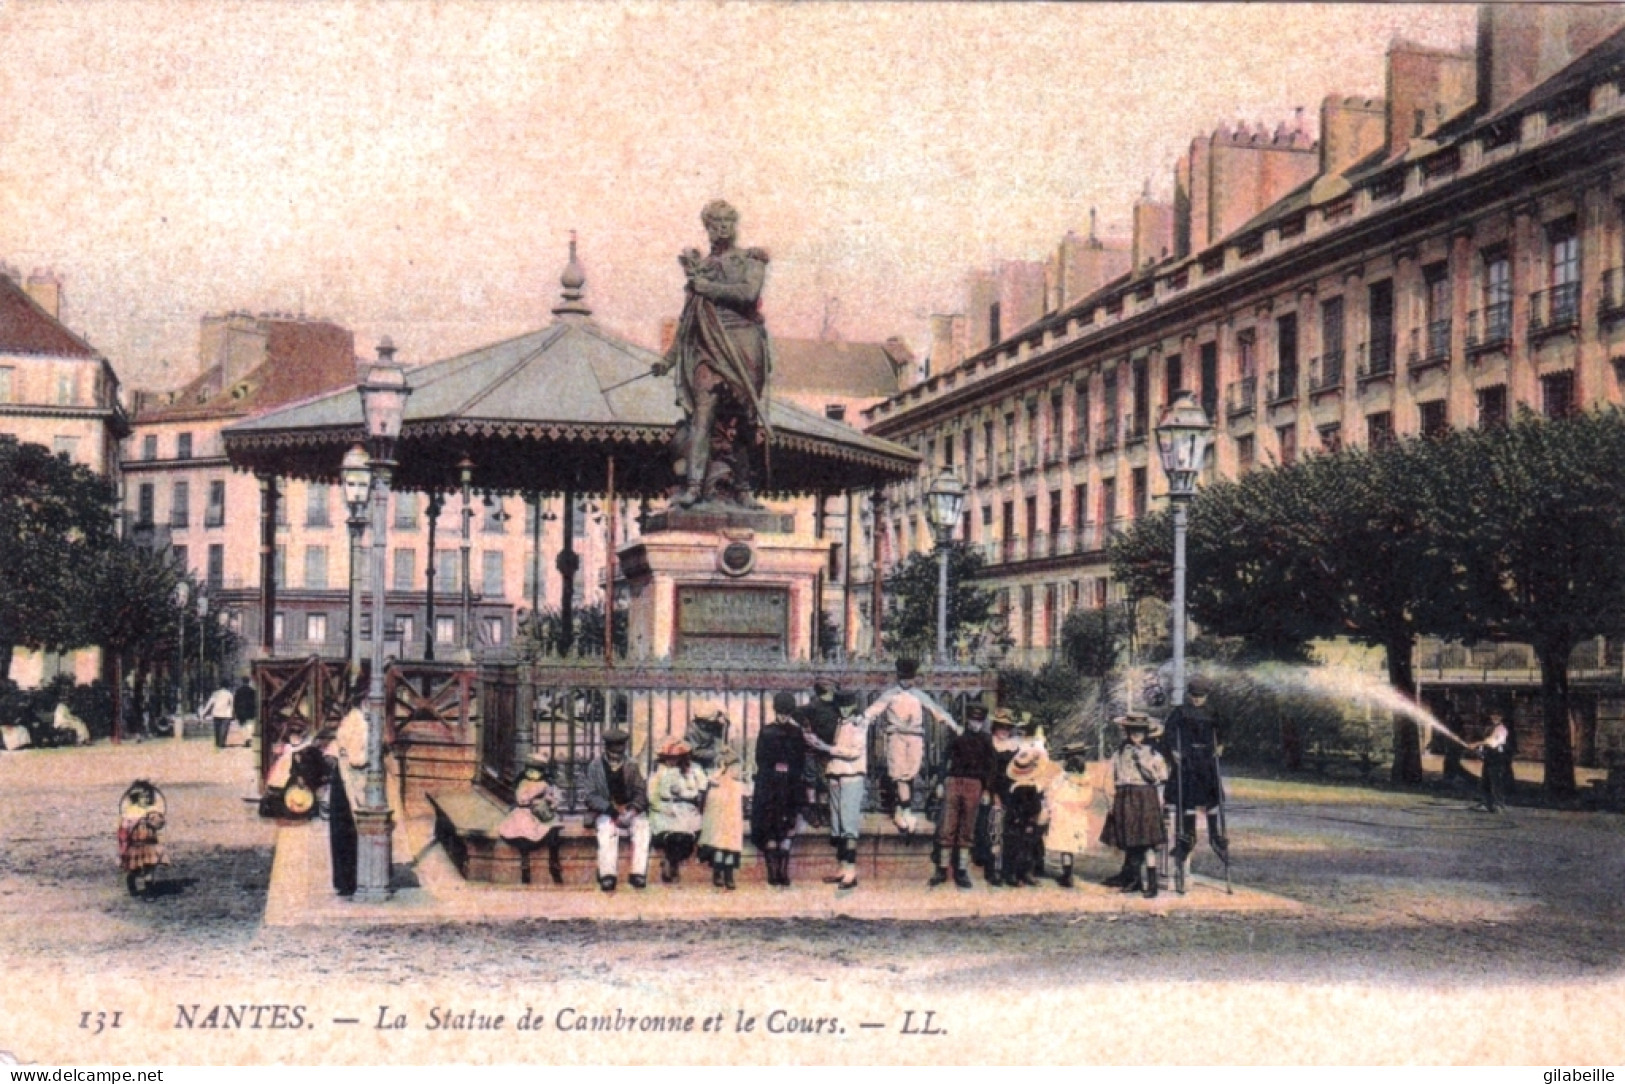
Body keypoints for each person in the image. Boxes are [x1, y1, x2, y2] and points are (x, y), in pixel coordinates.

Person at [652, 199, 772, 509]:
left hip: (744, 344)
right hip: (707, 345)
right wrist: (669, 358)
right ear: (707, 228)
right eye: (715, 223)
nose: (722, 228)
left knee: (745, 418)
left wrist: (706, 287)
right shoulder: (701, 269)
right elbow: (688, 317)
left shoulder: (751, 260)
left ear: (735, 225)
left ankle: (743, 488)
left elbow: (748, 293)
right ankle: (694, 487)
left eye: (727, 222)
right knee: (702, 416)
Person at [861, 658, 958, 834]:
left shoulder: (919, 695)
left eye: (910, 678)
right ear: (898, 677)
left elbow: (937, 711)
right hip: (896, 736)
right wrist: (860, 720)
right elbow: (872, 711)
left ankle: (901, 807)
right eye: (904, 678)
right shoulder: (890, 695)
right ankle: (905, 810)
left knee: (911, 772)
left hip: (915, 737)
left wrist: (955, 726)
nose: (907, 682)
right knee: (899, 775)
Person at [800, 690, 869, 891]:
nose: (844, 709)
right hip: (835, 775)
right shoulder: (839, 723)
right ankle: (842, 868)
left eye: (847, 705)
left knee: (848, 826)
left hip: (851, 776)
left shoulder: (859, 724)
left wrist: (826, 748)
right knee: (838, 826)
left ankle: (851, 871)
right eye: (841, 706)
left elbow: (854, 752)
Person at [1160, 675, 1228, 873]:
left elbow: (1223, 729)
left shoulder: (1213, 712)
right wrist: (1173, 749)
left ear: (1207, 695)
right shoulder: (1181, 712)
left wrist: (1221, 744)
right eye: (1194, 696)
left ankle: (1215, 835)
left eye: (1201, 696)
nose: (1197, 699)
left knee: (1212, 798)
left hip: (1206, 759)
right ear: (1189, 695)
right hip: (1188, 759)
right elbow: (1169, 731)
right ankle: (1188, 836)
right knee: (1187, 798)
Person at [1100, 713, 1169, 899]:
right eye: (1132, 731)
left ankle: (1152, 883)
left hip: (1145, 797)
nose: (1136, 735)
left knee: (1147, 841)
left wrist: (1142, 761)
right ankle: (1134, 880)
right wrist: (1110, 801)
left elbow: (1161, 777)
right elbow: (1109, 777)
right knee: (1130, 840)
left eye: (1139, 731)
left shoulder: (1153, 753)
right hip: (1125, 796)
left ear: (1146, 732)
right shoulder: (1120, 753)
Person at [929, 702, 996, 889]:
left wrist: (986, 790)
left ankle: (961, 870)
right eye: (973, 720)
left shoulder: (986, 740)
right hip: (954, 782)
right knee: (947, 825)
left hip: (974, 784)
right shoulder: (957, 736)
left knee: (967, 827)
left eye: (979, 720)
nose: (976, 724)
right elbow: (944, 759)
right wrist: (941, 782)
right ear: (967, 719)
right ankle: (942, 869)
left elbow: (991, 768)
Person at [583, 728, 651, 892]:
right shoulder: (595, 766)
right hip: (606, 810)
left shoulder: (632, 766)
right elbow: (590, 796)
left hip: (628, 809)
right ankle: (608, 875)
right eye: (613, 754)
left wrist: (632, 811)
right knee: (607, 831)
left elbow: (641, 792)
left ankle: (638, 873)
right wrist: (612, 811)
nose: (616, 758)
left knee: (643, 828)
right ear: (606, 749)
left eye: (619, 754)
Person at [752, 691, 806, 887]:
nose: (783, 716)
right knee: (770, 826)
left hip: (789, 784)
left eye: (787, 713)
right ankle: (773, 871)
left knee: (787, 827)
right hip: (771, 785)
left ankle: (783, 870)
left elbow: (800, 759)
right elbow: (760, 759)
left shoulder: (796, 732)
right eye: (780, 712)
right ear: (775, 711)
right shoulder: (767, 731)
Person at [498, 756, 564, 886]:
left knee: (553, 829)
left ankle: (554, 863)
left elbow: (555, 799)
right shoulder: (523, 783)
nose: (533, 775)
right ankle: (525, 865)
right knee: (523, 832)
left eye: (536, 771)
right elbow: (521, 799)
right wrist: (534, 797)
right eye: (530, 771)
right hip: (524, 813)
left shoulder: (546, 784)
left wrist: (549, 802)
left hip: (539, 814)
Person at [648, 740, 708, 884]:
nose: (671, 761)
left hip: (687, 808)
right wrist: (662, 808)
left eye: (675, 758)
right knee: (670, 834)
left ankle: (672, 861)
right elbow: (652, 794)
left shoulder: (693, 770)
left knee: (686, 834)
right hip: (665, 807)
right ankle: (670, 861)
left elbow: (701, 789)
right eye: (668, 758)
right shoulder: (659, 771)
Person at [976, 708, 1022, 885]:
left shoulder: (1015, 746)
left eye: (1007, 727)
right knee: (995, 831)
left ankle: (1009, 872)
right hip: (996, 791)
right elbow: (986, 770)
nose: (1003, 731)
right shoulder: (989, 744)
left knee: (1012, 833)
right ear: (994, 727)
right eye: (1000, 727)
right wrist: (990, 791)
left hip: (1013, 792)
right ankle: (993, 870)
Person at [1042, 749, 1096, 889]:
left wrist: (1051, 807)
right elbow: (1088, 799)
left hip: (1063, 814)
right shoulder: (1086, 779)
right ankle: (1068, 873)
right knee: (1069, 845)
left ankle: (1067, 874)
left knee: (1065, 846)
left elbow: (1051, 794)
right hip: (1075, 814)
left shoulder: (1061, 777)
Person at [1001, 745, 1050, 887]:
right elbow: (1029, 806)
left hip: (1024, 820)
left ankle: (1023, 873)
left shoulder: (1023, 786)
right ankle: (1016, 874)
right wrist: (1028, 820)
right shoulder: (1024, 787)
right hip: (1022, 821)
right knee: (1020, 848)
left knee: (1027, 848)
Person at [699, 748, 746, 890]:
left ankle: (729, 874)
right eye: (735, 768)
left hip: (733, 824)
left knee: (731, 849)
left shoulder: (738, 785)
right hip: (720, 823)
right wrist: (720, 770)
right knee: (719, 848)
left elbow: (747, 793)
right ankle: (717, 871)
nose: (738, 771)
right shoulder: (717, 784)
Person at [797, 680, 841, 829]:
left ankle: (823, 810)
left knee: (824, 781)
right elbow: (797, 713)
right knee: (811, 780)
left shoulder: (836, 706)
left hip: (827, 749)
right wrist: (806, 729)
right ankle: (813, 809)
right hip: (812, 749)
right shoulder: (813, 705)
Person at [117, 780, 168, 898]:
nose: (145, 799)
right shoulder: (130, 811)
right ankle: (132, 887)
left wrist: (156, 821)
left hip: (150, 844)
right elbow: (124, 828)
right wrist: (136, 821)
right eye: (142, 797)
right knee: (135, 869)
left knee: (150, 868)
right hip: (136, 845)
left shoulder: (152, 810)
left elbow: (159, 824)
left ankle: (148, 892)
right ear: (136, 798)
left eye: (147, 797)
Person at [1470, 710, 1511, 813]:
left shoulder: (1502, 729)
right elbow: (1486, 742)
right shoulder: (1490, 728)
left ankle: (1499, 804)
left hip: (1497, 758)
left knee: (1496, 782)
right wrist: (1479, 750)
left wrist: (1477, 744)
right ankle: (1486, 803)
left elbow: (1493, 742)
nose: (1494, 717)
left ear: (1501, 717)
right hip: (1489, 758)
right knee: (1485, 781)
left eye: (1497, 715)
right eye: (1493, 715)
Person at [203, 682, 236, 749]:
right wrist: (233, 714)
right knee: (224, 729)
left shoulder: (215, 693)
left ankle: (217, 742)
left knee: (217, 729)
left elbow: (210, 704)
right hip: (226, 714)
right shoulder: (229, 694)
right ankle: (222, 743)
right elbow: (232, 705)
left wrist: (204, 713)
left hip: (216, 713)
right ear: (228, 686)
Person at [232, 676, 258, 746]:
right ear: (248, 682)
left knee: (242, 726)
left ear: (242, 681)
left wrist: (234, 711)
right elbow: (255, 702)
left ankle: (246, 739)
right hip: (250, 710)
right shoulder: (252, 691)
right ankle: (249, 737)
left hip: (240, 711)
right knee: (250, 724)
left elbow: (235, 702)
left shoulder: (238, 691)